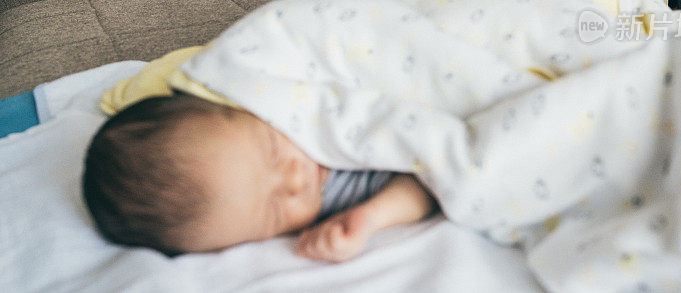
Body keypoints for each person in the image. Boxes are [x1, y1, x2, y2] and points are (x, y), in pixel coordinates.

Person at [82, 94, 436, 261]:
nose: (296, 181)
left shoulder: (301, 98)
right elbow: (431, 177)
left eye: (273, 152)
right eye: (276, 211)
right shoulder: (338, 201)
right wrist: (372, 217)